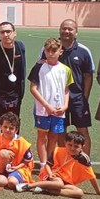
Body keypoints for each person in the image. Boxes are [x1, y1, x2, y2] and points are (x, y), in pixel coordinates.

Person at [44, 19, 94, 156]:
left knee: (82, 130)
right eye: (64, 28)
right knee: (60, 130)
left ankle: (85, 162)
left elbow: (88, 76)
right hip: (57, 100)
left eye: (70, 29)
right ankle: (64, 160)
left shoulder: (84, 51)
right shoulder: (51, 49)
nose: (66, 31)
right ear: (59, 30)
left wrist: (84, 97)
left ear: (76, 32)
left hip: (78, 99)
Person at [15, 131, 100, 198]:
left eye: (76, 146)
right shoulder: (58, 150)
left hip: (66, 180)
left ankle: (46, 189)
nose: (72, 148)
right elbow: (47, 165)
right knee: (59, 184)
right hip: (52, 174)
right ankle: (30, 186)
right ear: (65, 143)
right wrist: (50, 174)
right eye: (70, 145)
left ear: (82, 147)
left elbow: (91, 176)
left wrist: (98, 192)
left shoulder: (84, 158)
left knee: (79, 193)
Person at [30, 37, 72, 165]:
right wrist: (46, 105)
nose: (51, 53)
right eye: (48, 50)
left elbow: (66, 89)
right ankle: (43, 165)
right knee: (42, 136)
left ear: (60, 52)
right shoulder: (39, 67)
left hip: (59, 110)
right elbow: (33, 88)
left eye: (54, 50)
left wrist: (65, 105)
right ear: (45, 51)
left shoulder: (66, 69)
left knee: (54, 136)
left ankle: (49, 161)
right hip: (43, 110)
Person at [0, 112, 34, 189]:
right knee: (3, 153)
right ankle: (2, 175)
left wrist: (16, 167)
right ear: (1, 127)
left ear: (16, 129)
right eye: (5, 127)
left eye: (11, 128)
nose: (7, 130)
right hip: (0, 167)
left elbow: (27, 160)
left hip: (18, 168)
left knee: (12, 183)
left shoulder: (22, 142)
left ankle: (9, 178)